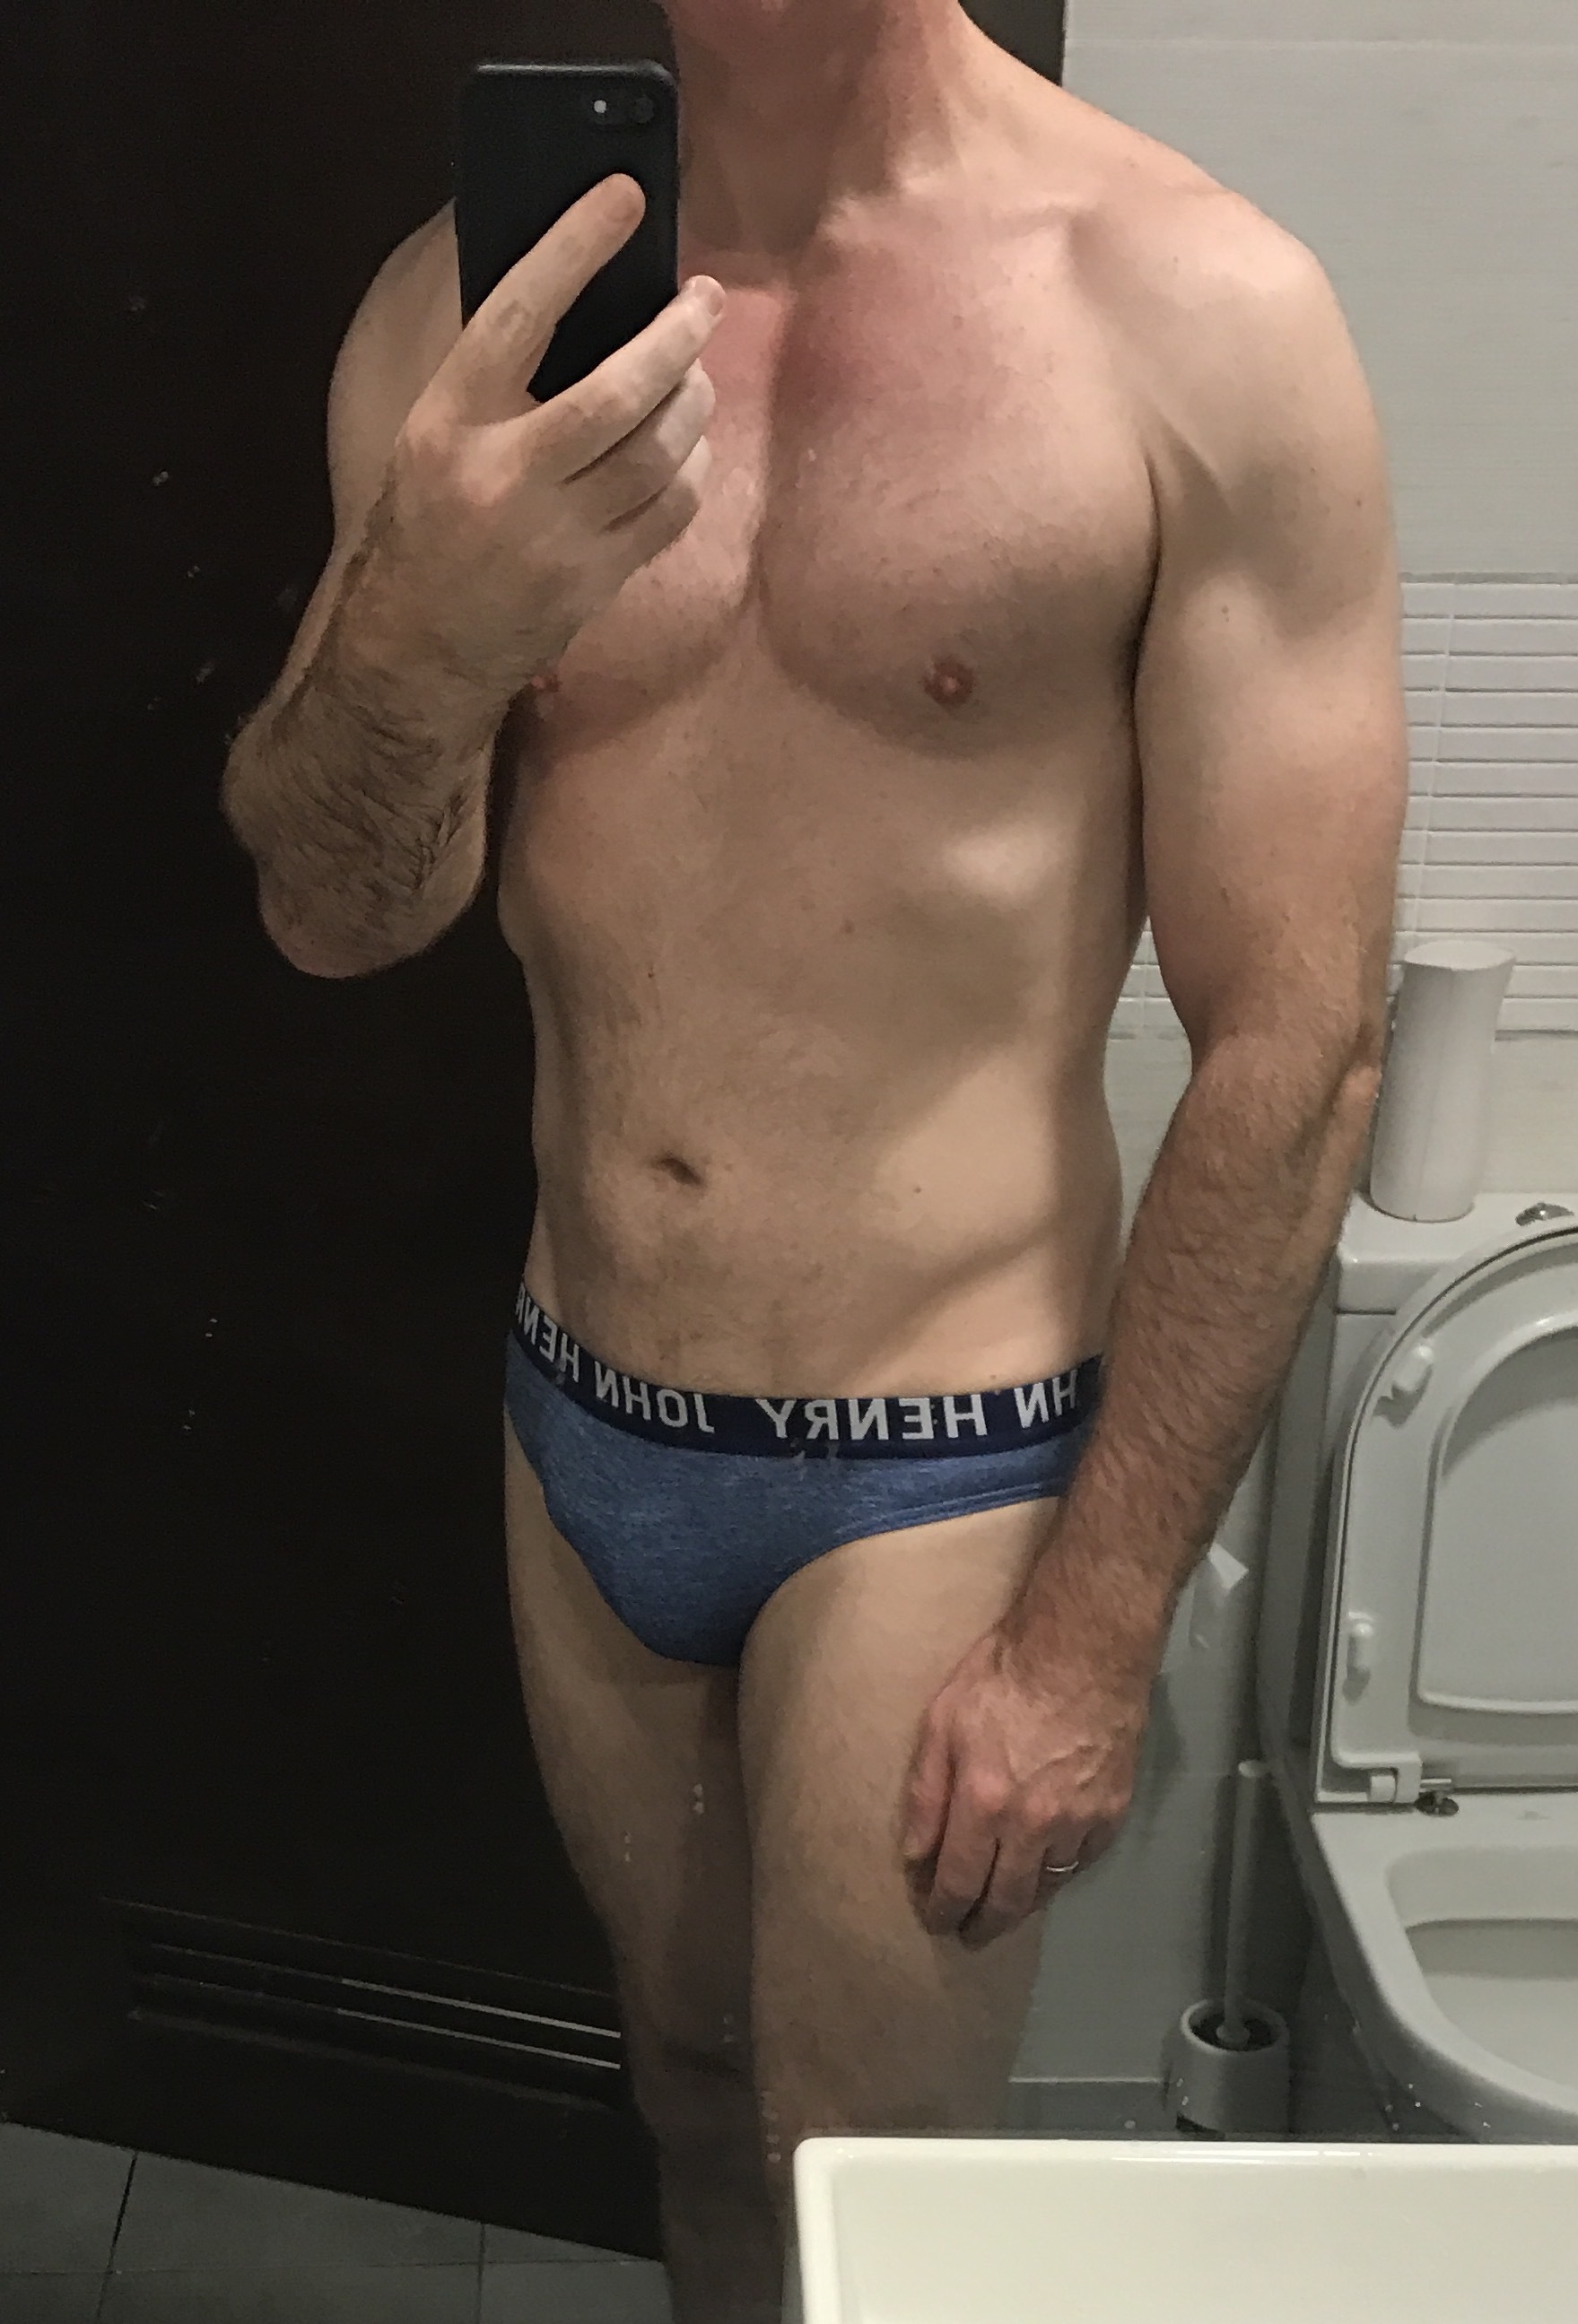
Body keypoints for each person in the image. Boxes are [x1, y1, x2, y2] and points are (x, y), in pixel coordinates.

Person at [221, 1, 1408, 2316]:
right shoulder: (466, 318)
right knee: (686, 2105)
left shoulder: (1192, 315)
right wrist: (427, 637)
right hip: (585, 1414)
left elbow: (1299, 1046)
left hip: (937, 1461)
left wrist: (1090, 1638)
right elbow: (333, 913)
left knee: (874, 2205)